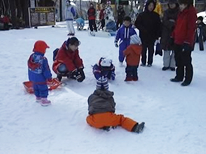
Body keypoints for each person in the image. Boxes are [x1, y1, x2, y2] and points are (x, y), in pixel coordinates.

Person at [170, 0, 197, 86]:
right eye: (180, 4)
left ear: (187, 4)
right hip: (177, 40)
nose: (181, 6)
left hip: (186, 41)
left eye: (183, 4)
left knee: (186, 60)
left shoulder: (191, 13)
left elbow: (191, 29)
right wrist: (172, 36)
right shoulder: (180, 12)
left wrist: (187, 42)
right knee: (178, 59)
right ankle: (179, 76)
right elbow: (177, 26)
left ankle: (188, 78)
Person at [135, 0, 161, 67]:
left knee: (151, 49)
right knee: (143, 49)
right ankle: (143, 61)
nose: (151, 7)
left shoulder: (156, 15)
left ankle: (150, 62)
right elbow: (137, 23)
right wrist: (142, 29)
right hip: (143, 35)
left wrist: (158, 35)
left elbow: (159, 26)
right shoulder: (142, 15)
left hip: (152, 36)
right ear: (147, 6)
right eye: (150, 5)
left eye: (152, 6)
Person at [28, 40, 52, 106]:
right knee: (43, 88)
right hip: (41, 79)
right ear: (42, 49)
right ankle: (44, 100)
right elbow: (46, 70)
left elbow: (29, 66)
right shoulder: (43, 59)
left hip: (33, 78)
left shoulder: (31, 57)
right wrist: (49, 77)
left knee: (36, 87)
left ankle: (38, 97)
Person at [160, 0, 179, 71]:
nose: (171, 5)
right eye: (170, 4)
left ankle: (172, 65)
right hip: (166, 33)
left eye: (173, 4)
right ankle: (166, 64)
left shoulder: (179, 12)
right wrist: (172, 23)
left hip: (176, 33)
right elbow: (164, 21)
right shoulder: (166, 12)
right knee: (166, 50)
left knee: (175, 51)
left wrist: (171, 23)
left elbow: (179, 22)